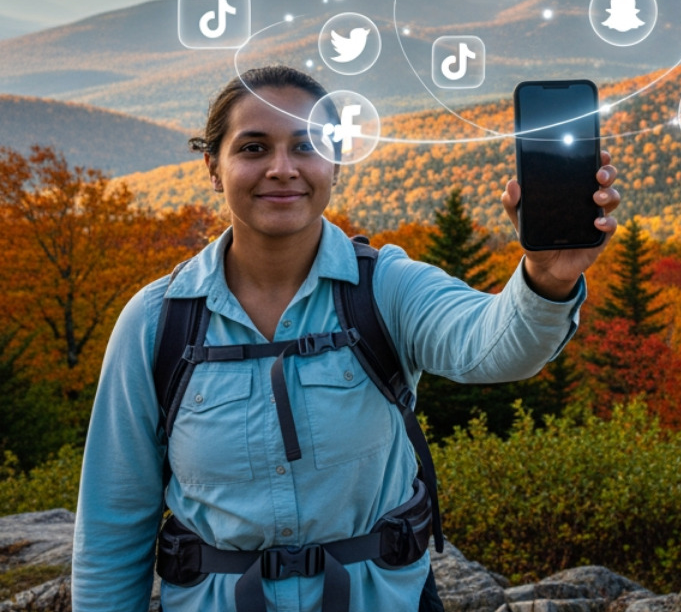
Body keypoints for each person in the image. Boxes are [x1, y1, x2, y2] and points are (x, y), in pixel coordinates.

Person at [71, 65, 621, 611]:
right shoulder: (157, 323)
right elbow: (113, 523)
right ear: (214, 167)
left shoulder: (384, 289)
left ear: (334, 164)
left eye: (305, 146)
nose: (282, 168)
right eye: (254, 148)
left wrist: (547, 279)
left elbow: (491, 345)